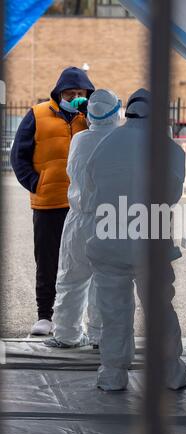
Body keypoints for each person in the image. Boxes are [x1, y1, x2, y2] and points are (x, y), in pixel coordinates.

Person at [85, 89, 186, 391]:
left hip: (109, 240)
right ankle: (170, 372)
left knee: (113, 311)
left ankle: (113, 373)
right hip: (150, 241)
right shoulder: (169, 149)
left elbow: (91, 188)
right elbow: (172, 194)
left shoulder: (105, 145)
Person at [10, 67, 95, 336]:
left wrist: (92, 114)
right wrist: (36, 183)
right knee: (47, 260)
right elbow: (18, 155)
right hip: (49, 201)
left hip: (82, 204)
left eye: (80, 94)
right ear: (59, 92)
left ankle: (72, 318)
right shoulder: (37, 114)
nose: (74, 97)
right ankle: (44, 315)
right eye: (69, 93)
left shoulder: (89, 118)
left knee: (82, 261)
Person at [45, 89, 122, 348]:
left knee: (71, 277)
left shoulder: (79, 139)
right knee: (107, 281)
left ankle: (66, 334)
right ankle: (101, 336)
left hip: (79, 218)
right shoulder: (121, 140)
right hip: (111, 220)